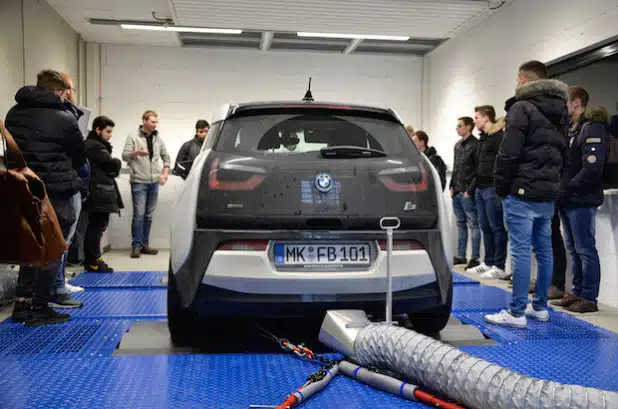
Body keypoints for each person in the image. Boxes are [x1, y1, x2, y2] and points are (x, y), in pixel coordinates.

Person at [485, 61, 569, 328]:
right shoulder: (561, 109)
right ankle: (540, 307)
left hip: (521, 190)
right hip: (547, 192)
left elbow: (508, 153)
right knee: (544, 250)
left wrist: (501, 186)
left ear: (522, 80)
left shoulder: (521, 107)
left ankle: (516, 312)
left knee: (521, 250)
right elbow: (563, 153)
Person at [6, 69, 88, 325]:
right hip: (57, 190)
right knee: (54, 247)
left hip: (23, 188)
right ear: (61, 92)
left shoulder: (13, 113)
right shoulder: (64, 117)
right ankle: (40, 306)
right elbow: (79, 156)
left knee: (29, 246)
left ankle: (22, 304)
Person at [551, 86, 610, 314]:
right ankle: (575, 293)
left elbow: (591, 170)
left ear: (576, 102)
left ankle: (589, 297)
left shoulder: (593, 128)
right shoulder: (573, 129)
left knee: (586, 249)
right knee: (573, 249)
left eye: (564, 102)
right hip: (568, 200)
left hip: (582, 200)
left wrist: (566, 188)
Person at [122, 110, 171, 258]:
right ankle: (136, 246)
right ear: (144, 121)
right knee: (139, 215)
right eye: (152, 121)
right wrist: (135, 153)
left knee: (148, 215)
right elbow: (124, 156)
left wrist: (165, 174)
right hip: (139, 181)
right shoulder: (133, 136)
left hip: (154, 182)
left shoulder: (158, 138)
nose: (155, 124)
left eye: (156, 122)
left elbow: (166, 157)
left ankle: (145, 244)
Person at [468, 106, 509, 279]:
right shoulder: (482, 139)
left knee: (496, 227)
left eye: (476, 117)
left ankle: (499, 265)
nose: (474, 120)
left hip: (492, 188)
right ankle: (488, 261)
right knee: (485, 227)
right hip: (480, 188)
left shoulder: (498, 137)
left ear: (486, 118)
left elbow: (500, 163)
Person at [83, 116, 124, 272]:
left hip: (97, 192)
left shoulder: (93, 145)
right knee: (97, 228)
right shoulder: (95, 146)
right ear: (97, 130)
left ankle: (92, 259)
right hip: (99, 193)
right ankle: (93, 261)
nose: (110, 135)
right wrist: (117, 163)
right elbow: (112, 164)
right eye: (107, 131)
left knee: (95, 227)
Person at [450, 117, 481, 270]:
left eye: (460, 126)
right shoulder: (457, 146)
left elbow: (477, 170)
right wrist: (451, 185)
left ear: (469, 127)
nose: (457, 128)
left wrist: (470, 190)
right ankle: (461, 255)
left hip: (467, 192)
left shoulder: (475, 145)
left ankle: (475, 257)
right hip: (456, 190)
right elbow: (456, 167)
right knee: (460, 224)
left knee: (473, 224)